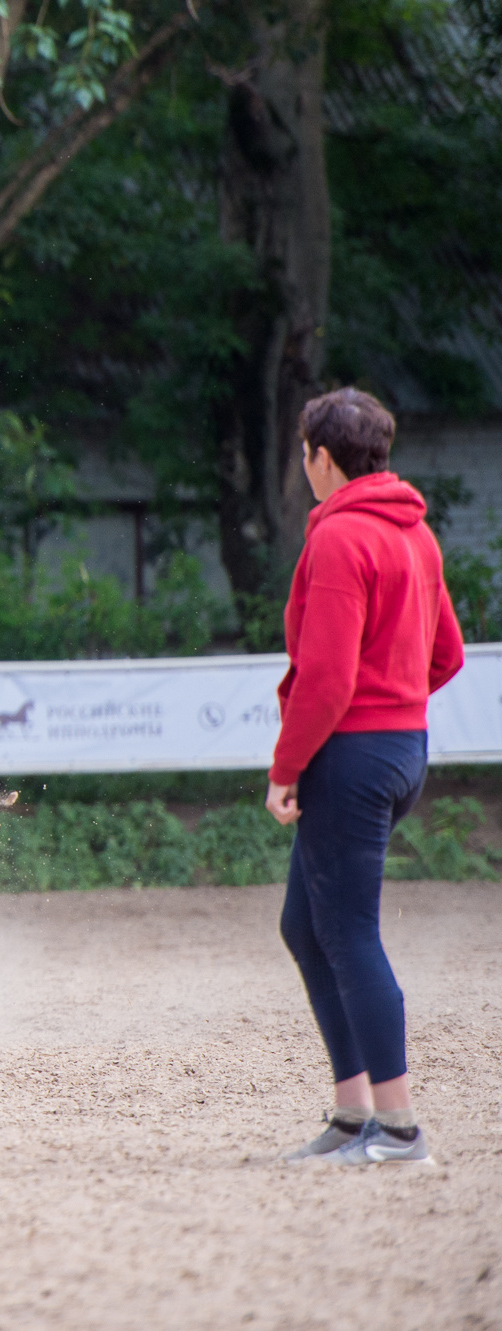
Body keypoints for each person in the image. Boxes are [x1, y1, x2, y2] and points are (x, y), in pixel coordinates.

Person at [265, 387, 464, 1167]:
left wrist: (287, 769)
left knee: (347, 933)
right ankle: (355, 1114)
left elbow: (325, 677)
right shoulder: (414, 534)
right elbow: (445, 654)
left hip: (350, 753)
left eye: (303, 452)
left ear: (322, 455)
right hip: (399, 747)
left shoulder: (341, 538)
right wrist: (395, 700)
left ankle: (399, 1126)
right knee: (306, 926)